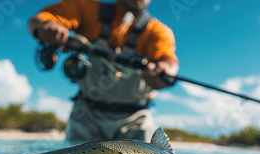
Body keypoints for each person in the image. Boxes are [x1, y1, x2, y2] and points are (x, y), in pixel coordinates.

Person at [29, 0, 179, 142]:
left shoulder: (158, 31)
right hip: (86, 115)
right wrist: (47, 25)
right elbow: (39, 19)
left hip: (135, 120)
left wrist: (165, 70)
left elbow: (169, 61)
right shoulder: (87, 9)